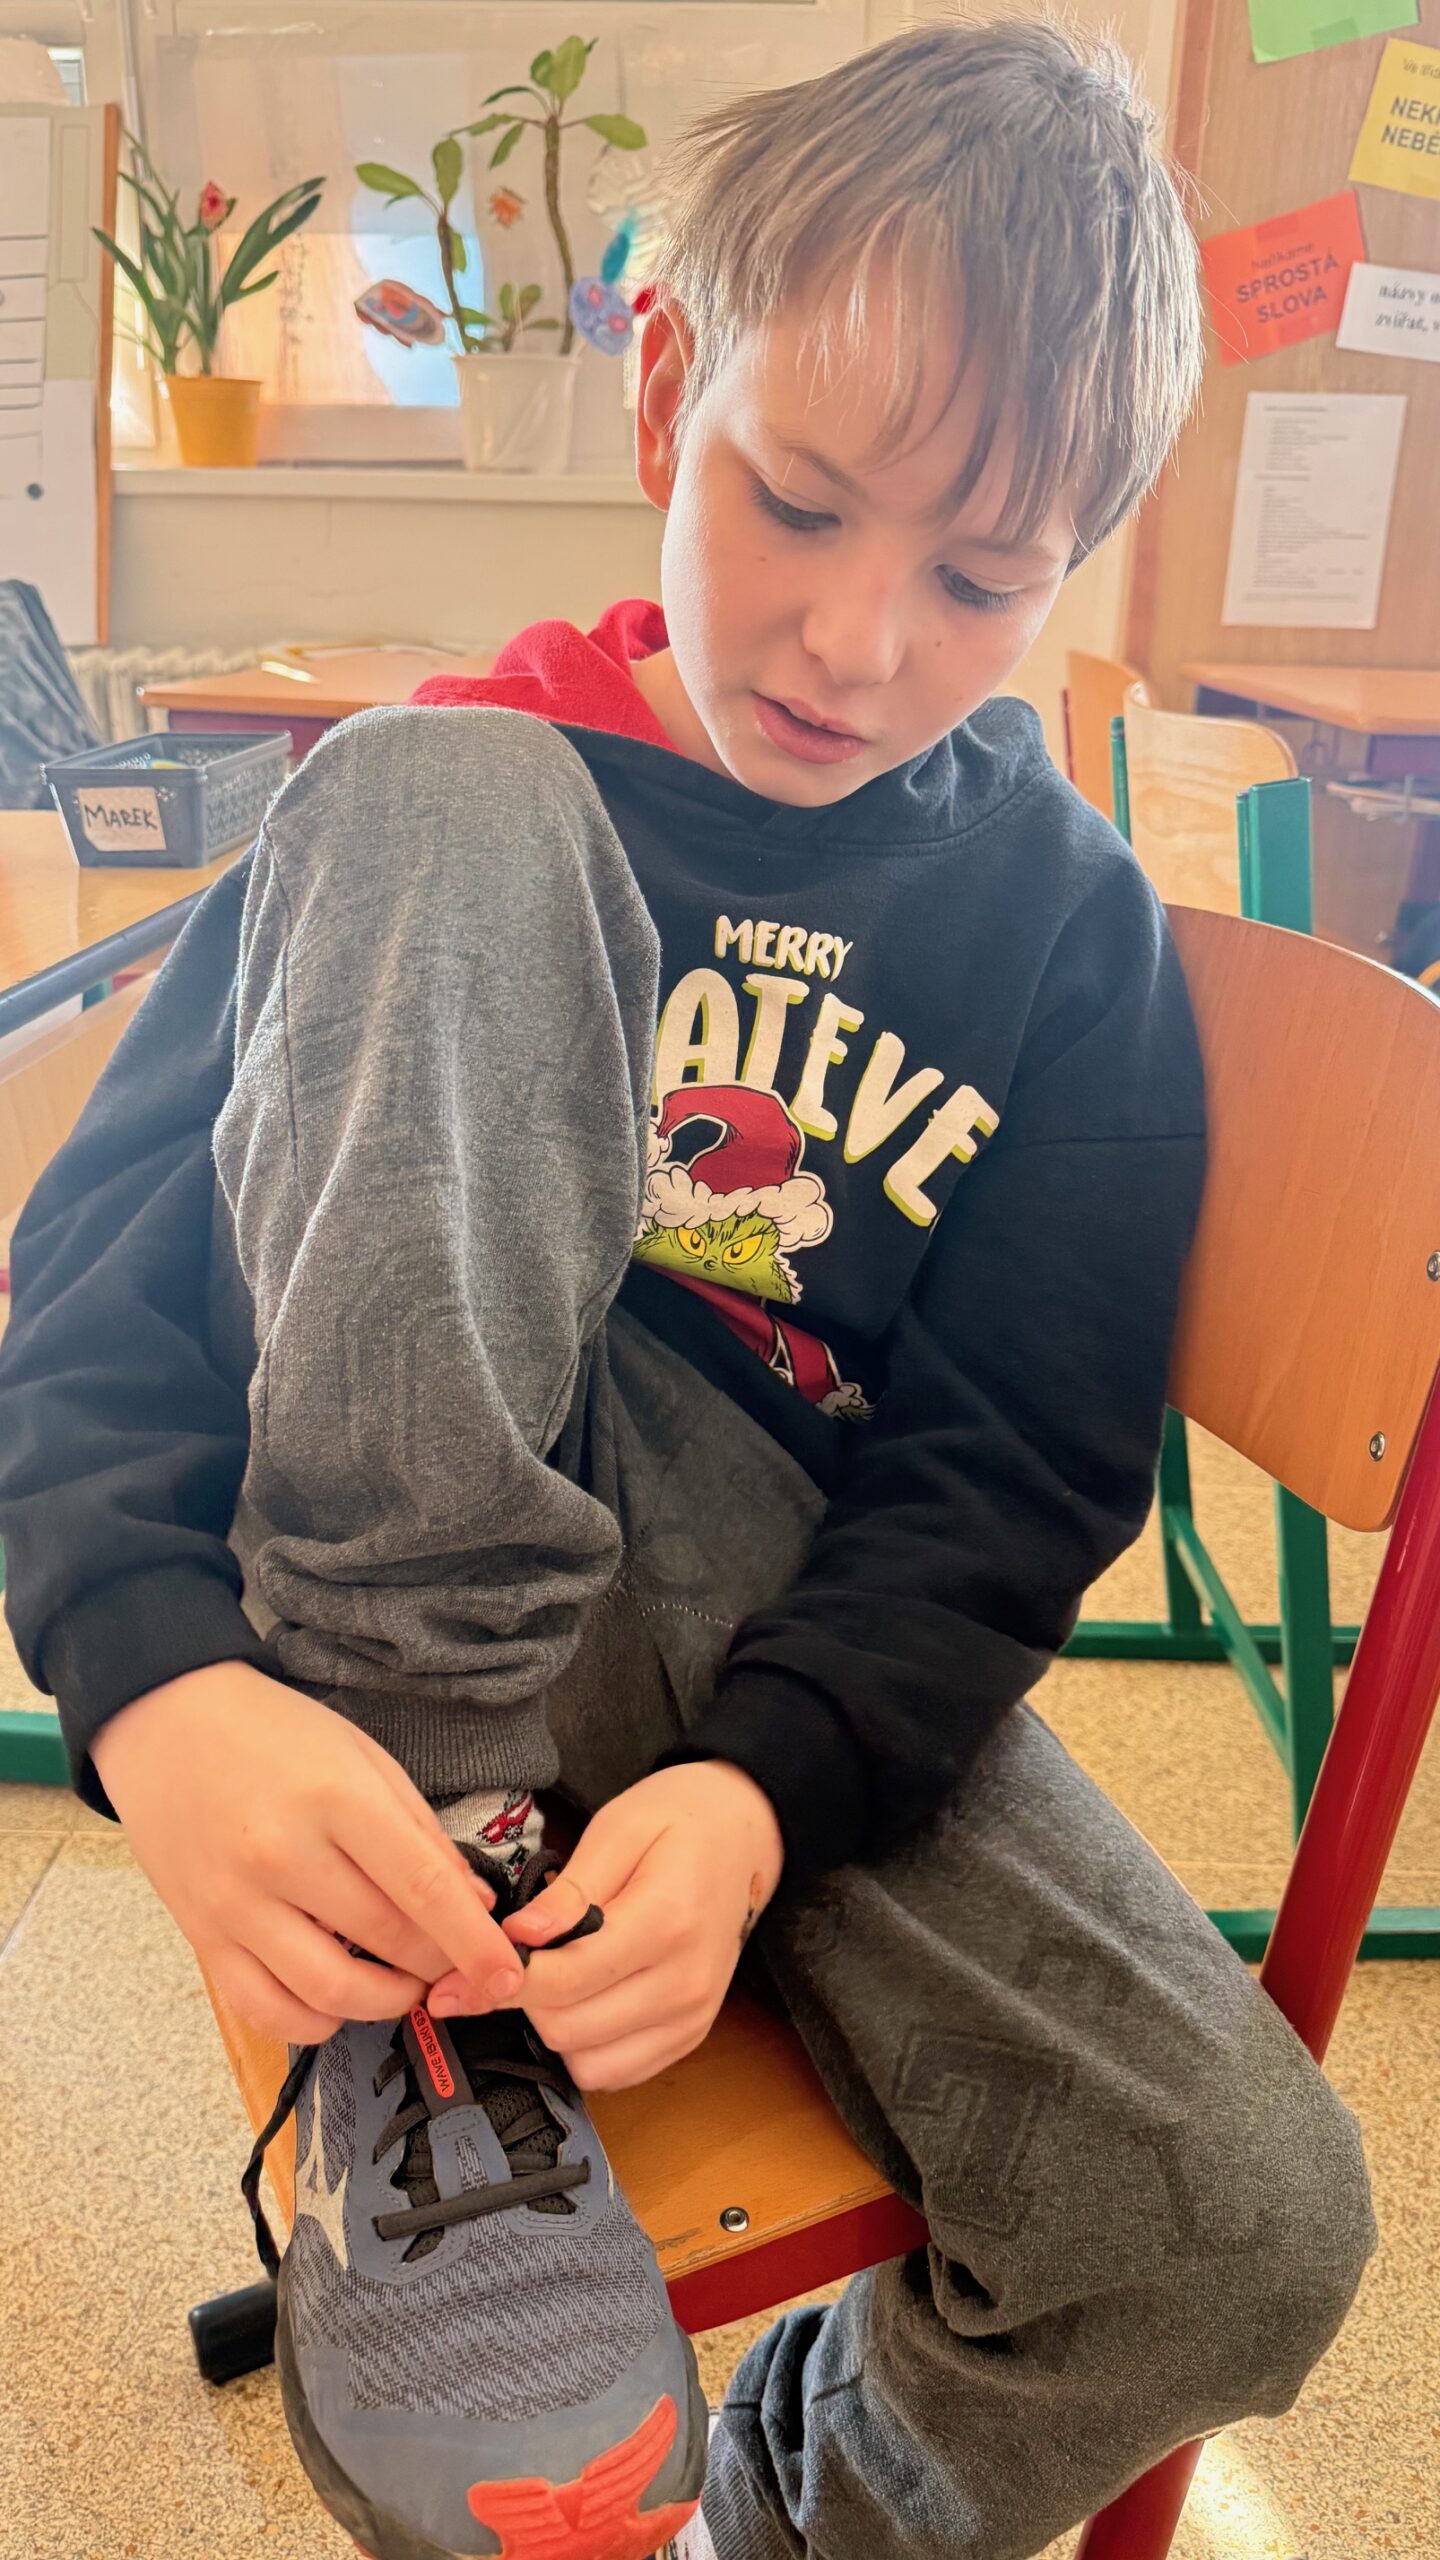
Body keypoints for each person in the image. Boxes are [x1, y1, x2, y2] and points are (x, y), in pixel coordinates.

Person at [0, 21, 1375, 2560]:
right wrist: (159, 1681)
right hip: (407, 1569)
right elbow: (97, 1280)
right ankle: (427, 1982)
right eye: (799, 500)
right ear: (665, 392)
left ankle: (781, 2508)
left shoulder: (1064, 923)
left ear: (1075, 558)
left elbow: (1019, 1461)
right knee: (433, 787)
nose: (857, 637)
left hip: (794, 1624)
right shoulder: (438, 788)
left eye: (980, 579)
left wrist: (758, 1799)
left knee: (1248, 2226)